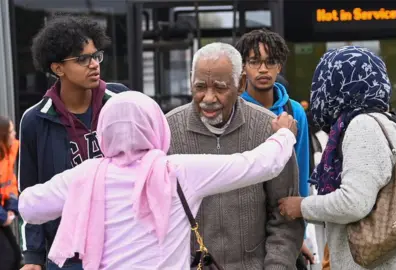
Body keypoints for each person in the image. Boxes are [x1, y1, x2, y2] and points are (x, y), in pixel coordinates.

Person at [18, 91, 298, 270]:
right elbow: (257, 165)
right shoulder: (178, 171)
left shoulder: (87, 175)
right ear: (156, 126)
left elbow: (29, 207)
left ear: (104, 130)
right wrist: (284, 134)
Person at [278, 46, 396, 269]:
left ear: (340, 85)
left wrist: (301, 206)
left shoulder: (362, 127)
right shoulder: (367, 122)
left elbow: (354, 203)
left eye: (323, 81)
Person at [166, 42, 304, 269]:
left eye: (220, 88)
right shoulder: (168, 131)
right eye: (200, 87)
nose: (208, 98)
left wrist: (277, 266)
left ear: (240, 84)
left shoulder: (269, 129)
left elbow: (284, 218)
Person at [18, 16, 128, 270]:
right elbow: (30, 194)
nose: (93, 65)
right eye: (82, 59)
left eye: (96, 55)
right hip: (68, 254)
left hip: (123, 245)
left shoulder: (121, 100)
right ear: (58, 68)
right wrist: (33, 257)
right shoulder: (35, 120)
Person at [235, 29, 313, 265]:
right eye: (254, 62)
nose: (262, 69)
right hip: (242, 218)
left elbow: (301, 175)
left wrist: (299, 234)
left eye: (270, 62)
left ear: (279, 66)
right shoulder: (234, 109)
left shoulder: (293, 112)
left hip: (282, 216)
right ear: (243, 68)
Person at [0, 116, 22, 270]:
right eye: (11, 131)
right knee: (6, 259)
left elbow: (10, 183)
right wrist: (2, 217)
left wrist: (12, 206)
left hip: (2, 212)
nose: (14, 134)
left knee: (14, 255)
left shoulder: (9, 152)